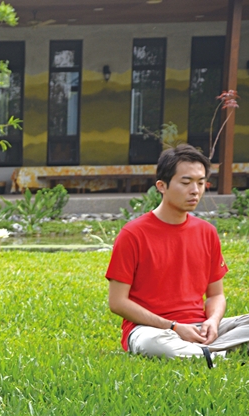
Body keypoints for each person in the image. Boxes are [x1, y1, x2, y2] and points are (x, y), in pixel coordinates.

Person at [106, 144, 249, 363]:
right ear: (162, 186)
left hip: (200, 327)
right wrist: (173, 327)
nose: (195, 190)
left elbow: (216, 295)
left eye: (201, 183)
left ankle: (206, 352)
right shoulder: (133, 234)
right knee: (152, 343)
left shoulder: (207, 232)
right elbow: (117, 302)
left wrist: (212, 321)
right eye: (186, 182)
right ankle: (221, 353)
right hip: (152, 329)